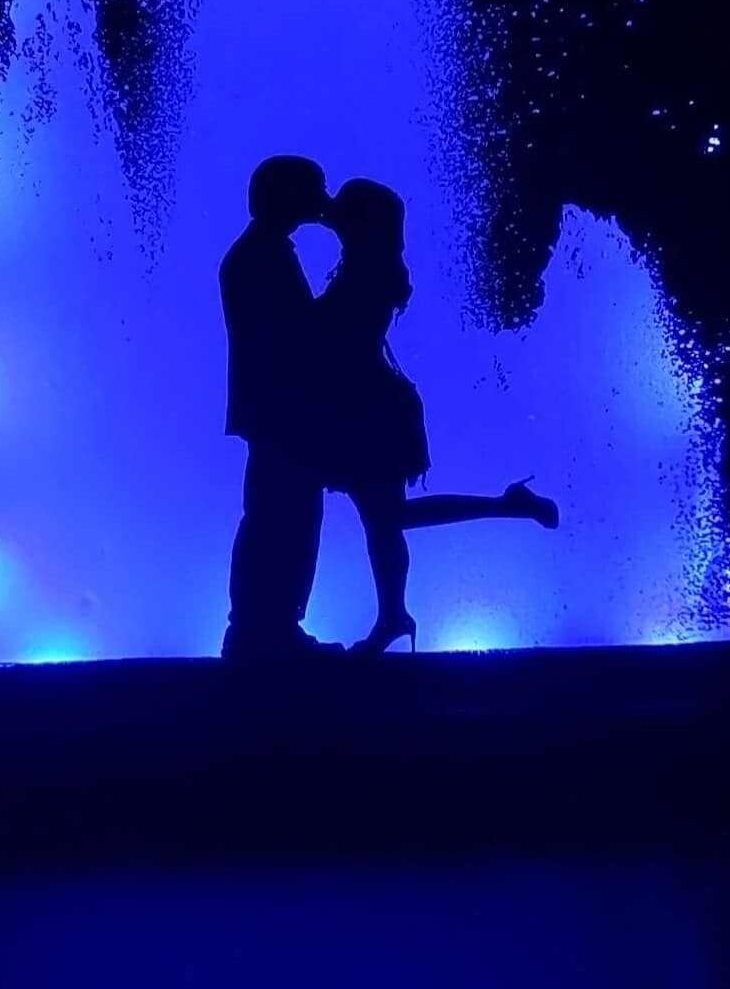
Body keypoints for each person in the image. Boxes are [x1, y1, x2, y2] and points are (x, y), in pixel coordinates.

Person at [317, 178, 559, 655]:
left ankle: (505, 508)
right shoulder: (375, 266)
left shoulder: (366, 271)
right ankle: (392, 614)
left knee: (388, 517)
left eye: (343, 213)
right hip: (370, 402)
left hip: (368, 407)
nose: (332, 218)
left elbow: (336, 334)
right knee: (384, 520)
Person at [220, 155, 337, 659]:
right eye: (314, 191)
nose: (321, 202)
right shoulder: (261, 257)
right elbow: (295, 333)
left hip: (275, 409)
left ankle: (265, 626)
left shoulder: (258, 253)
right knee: (282, 518)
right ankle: (263, 629)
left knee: (278, 516)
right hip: (281, 410)